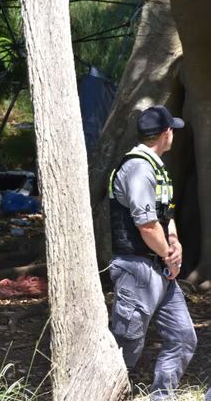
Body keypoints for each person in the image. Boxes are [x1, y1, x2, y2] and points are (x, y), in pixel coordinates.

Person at [108, 105, 197, 399]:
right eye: (172, 129)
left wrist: (175, 242)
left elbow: (163, 214)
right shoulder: (137, 168)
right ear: (165, 133)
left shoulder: (156, 166)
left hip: (159, 270)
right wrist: (169, 256)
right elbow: (146, 226)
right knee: (126, 349)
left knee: (183, 338)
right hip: (136, 270)